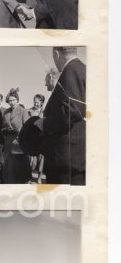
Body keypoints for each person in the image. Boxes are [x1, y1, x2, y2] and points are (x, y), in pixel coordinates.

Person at [42, 47, 86, 185]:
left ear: (56, 54)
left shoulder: (71, 70)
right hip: (72, 156)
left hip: (65, 159)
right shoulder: (81, 68)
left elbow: (72, 110)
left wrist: (44, 123)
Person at [1, 88, 31, 184]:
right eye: (10, 100)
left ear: (17, 100)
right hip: (8, 141)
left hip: (19, 140)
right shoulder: (6, 112)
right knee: (8, 164)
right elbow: (3, 126)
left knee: (19, 164)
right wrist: (5, 130)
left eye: (13, 100)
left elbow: (26, 127)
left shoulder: (23, 111)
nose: (11, 102)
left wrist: (19, 139)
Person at [28, 94, 46, 182]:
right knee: (32, 159)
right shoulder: (29, 111)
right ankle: (30, 177)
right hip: (32, 138)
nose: (35, 104)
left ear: (42, 103)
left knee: (41, 159)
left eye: (37, 102)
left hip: (42, 138)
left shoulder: (45, 111)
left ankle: (39, 178)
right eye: (34, 102)